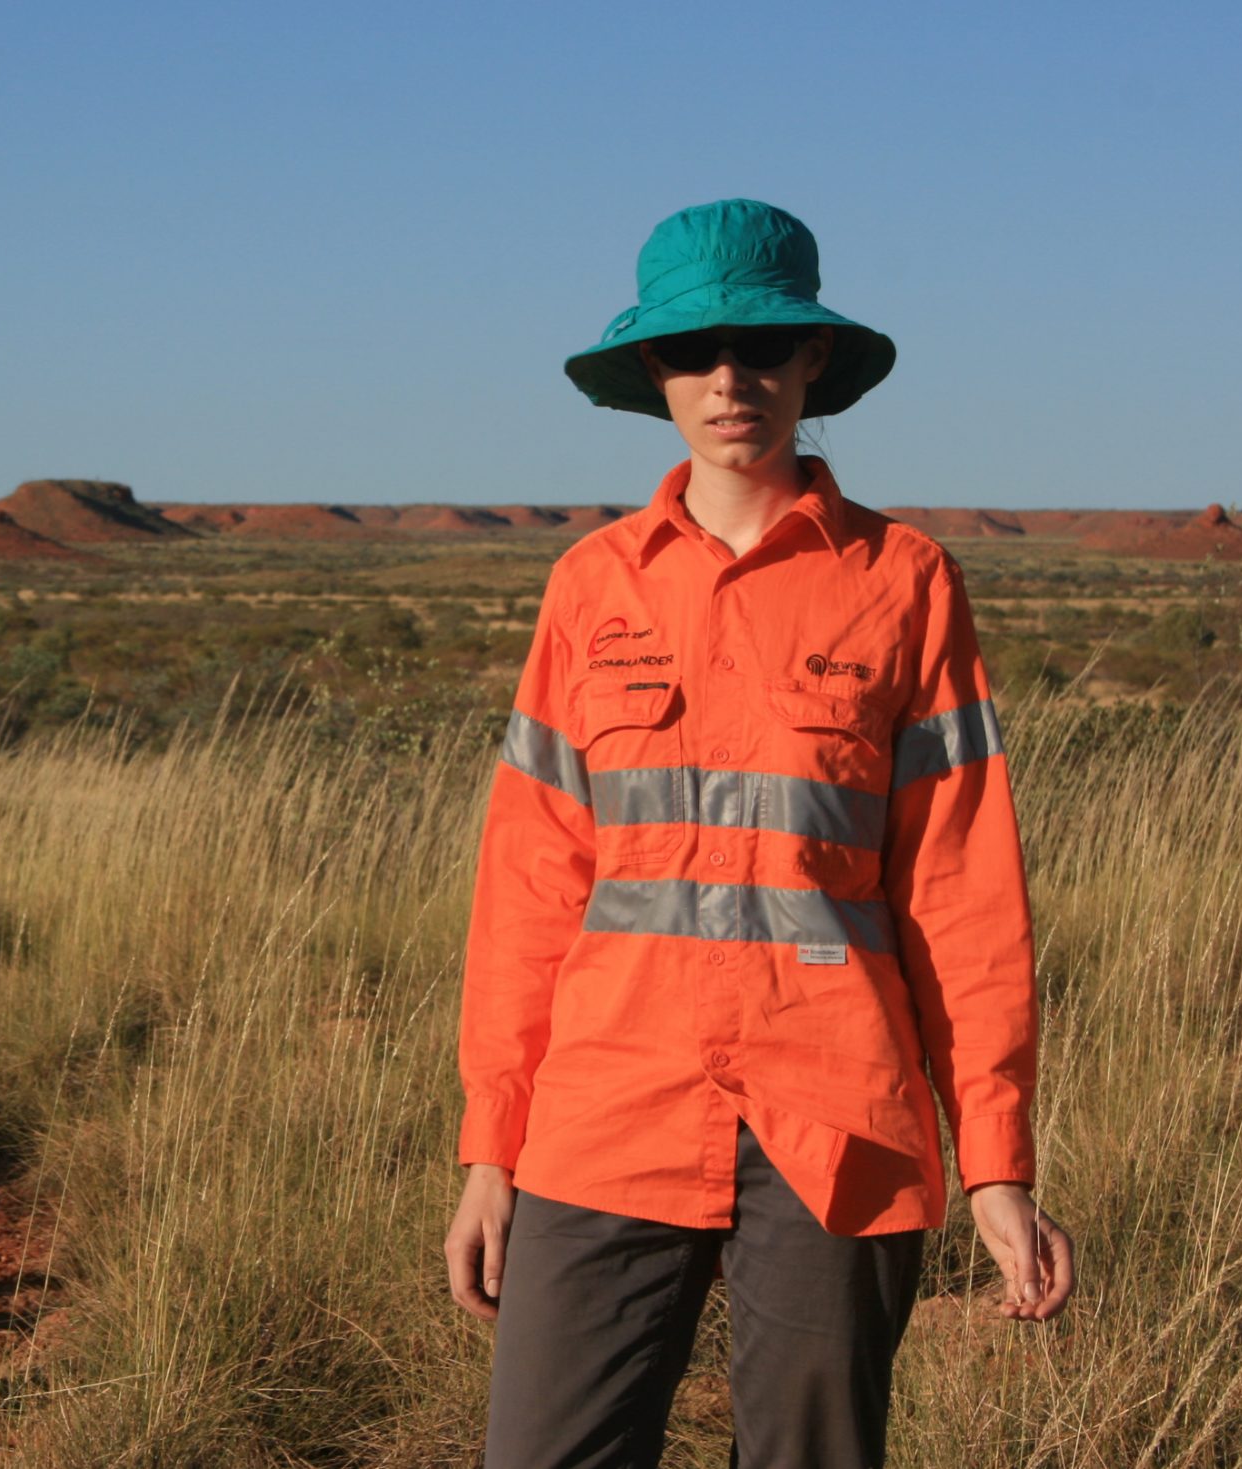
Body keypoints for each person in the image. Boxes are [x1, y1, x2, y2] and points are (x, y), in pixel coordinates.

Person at [442, 199, 1074, 1469]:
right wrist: (489, 1148)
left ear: (813, 364)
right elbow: (530, 887)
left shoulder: (904, 580)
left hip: (835, 1111)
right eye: (693, 354)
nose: (731, 380)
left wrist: (994, 1159)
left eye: (765, 349)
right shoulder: (591, 583)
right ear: (656, 378)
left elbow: (961, 889)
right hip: (605, 1109)